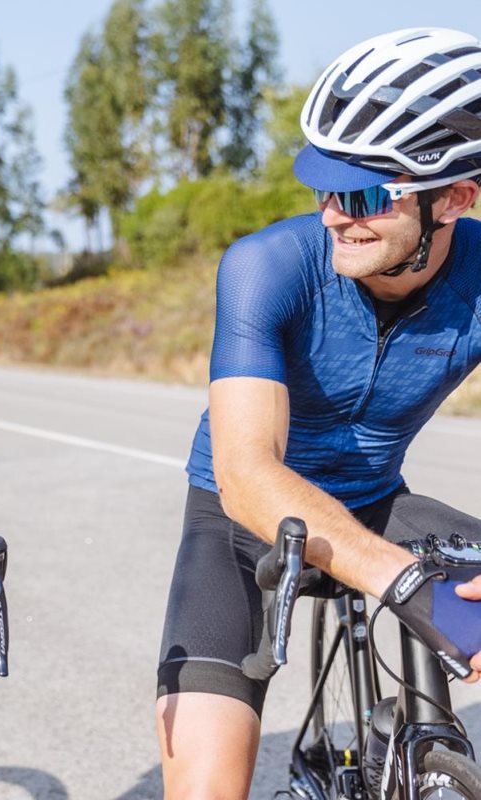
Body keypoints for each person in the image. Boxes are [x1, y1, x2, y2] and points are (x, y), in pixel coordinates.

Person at [155, 27, 481, 798]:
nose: (335, 216)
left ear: (454, 199)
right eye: (325, 189)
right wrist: (404, 581)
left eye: (363, 196)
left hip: (376, 503)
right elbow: (246, 474)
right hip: (239, 525)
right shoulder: (268, 266)